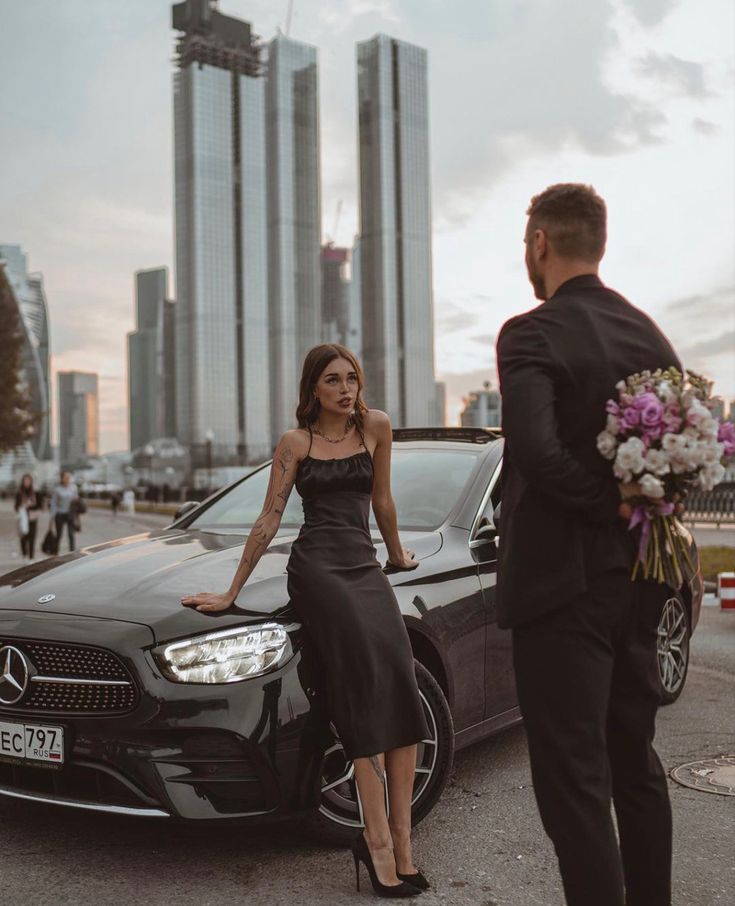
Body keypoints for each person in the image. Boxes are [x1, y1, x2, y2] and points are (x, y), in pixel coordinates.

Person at [182, 344, 429, 898]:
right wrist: (231, 591)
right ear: (313, 390)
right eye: (334, 381)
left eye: (353, 379)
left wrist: (396, 556)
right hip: (317, 571)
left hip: (364, 568)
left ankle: (404, 843)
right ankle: (379, 843)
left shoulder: (377, 427)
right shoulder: (297, 443)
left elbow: (383, 502)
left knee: (400, 683)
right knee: (362, 694)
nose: (347, 389)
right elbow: (269, 517)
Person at [496, 183, 682, 906]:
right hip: (639, 581)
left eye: (524, 244)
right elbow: (676, 459)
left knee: (573, 783)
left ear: (540, 243)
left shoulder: (530, 332)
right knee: (631, 763)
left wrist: (607, 502)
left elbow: (536, 455)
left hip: (559, 590)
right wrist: (634, 502)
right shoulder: (648, 336)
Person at [49, 471, 80, 553]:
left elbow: (76, 499)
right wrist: (52, 517)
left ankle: (72, 553)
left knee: (71, 534)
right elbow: (53, 503)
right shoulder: (57, 489)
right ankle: (55, 553)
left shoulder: (74, 487)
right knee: (59, 534)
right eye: (66, 477)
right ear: (62, 479)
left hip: (70, 514)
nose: (67, 479)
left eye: (68, 477)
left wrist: (76, 500)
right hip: (60, 514)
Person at [14, 473, 41, 560]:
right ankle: (24, 554)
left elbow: (39, 505)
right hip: (22, 518)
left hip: (32, 517)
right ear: (22, 482)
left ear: (31, 481)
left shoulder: (35, 492)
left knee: (32, 536)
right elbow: (16, 506)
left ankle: (31, 557)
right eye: (25, 480)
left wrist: (30, 505)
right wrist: (22, 505)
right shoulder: (19, 493)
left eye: (28, 480)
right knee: (23, 537)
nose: (26, 482)